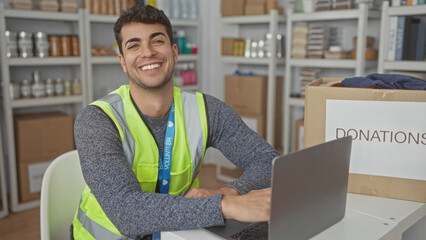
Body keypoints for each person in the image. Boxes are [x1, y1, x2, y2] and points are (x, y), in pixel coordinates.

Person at [71, 4, 279, 240]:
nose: (147, 52)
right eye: (134, 45)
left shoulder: (206, 110)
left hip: (177, 233)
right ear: (122, 61)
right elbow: (125, 211)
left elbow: (269, 162)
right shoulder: (98, 119)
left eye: (157, 41)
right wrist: (224, 205)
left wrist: (230, 191)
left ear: (174, 52)